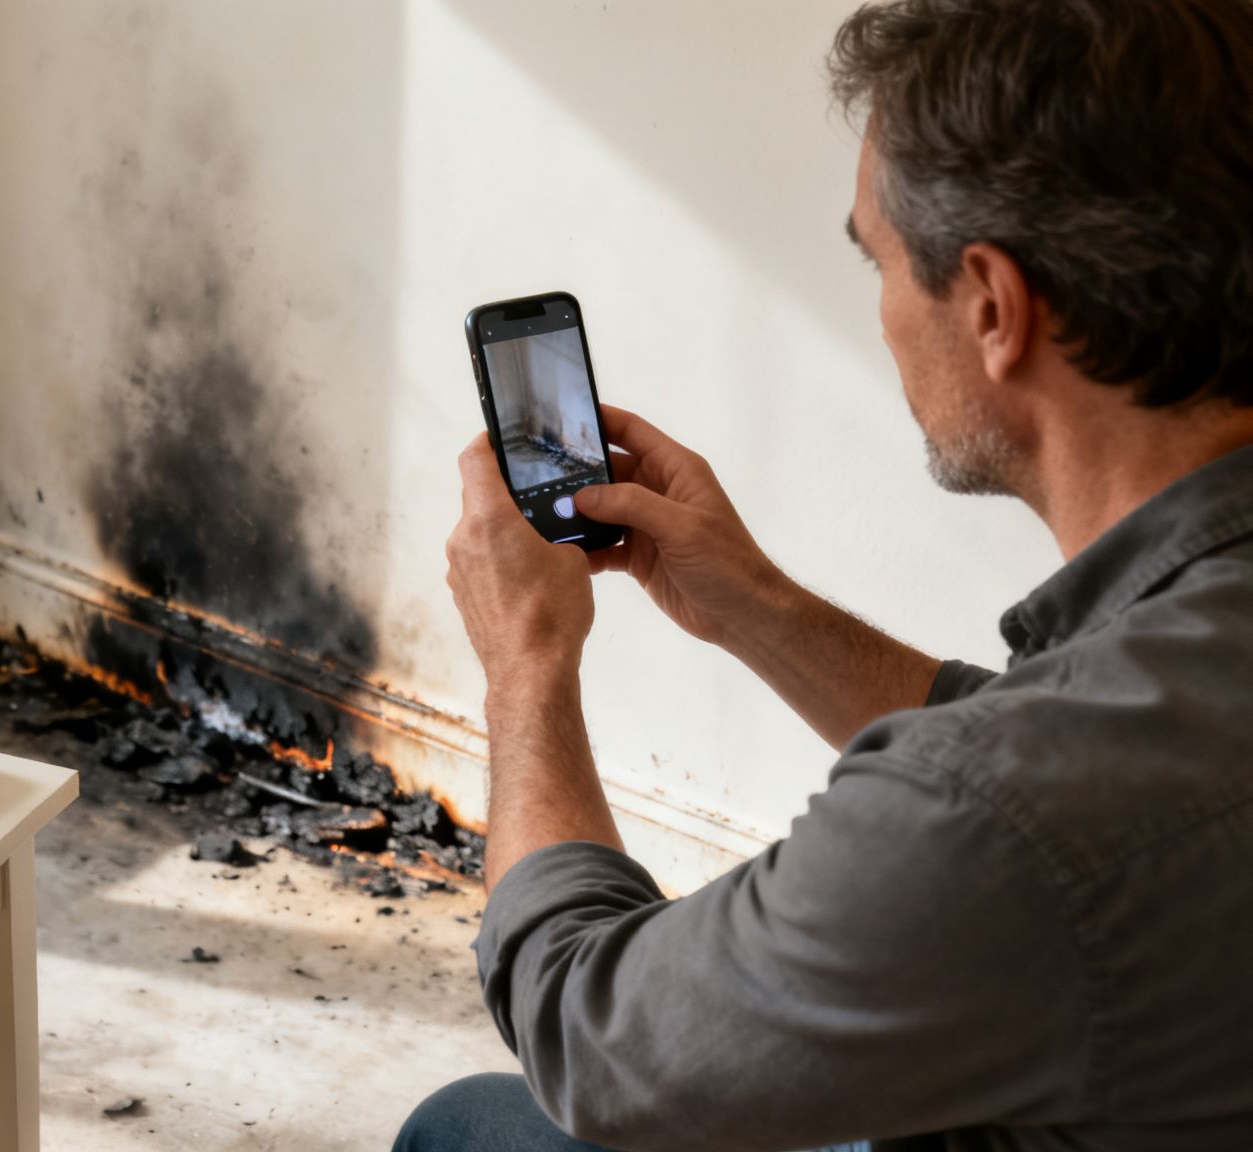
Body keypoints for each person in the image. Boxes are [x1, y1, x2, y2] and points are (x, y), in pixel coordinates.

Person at [406, 1, 1253, 1149]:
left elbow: (592, 1038)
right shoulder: (1159, 679)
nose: (886, 315)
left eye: (883, 264)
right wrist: (754, 608)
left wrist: (525, 664)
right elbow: (1073, 750)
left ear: (994, 308)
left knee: (468, 1129)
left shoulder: (997, 819)